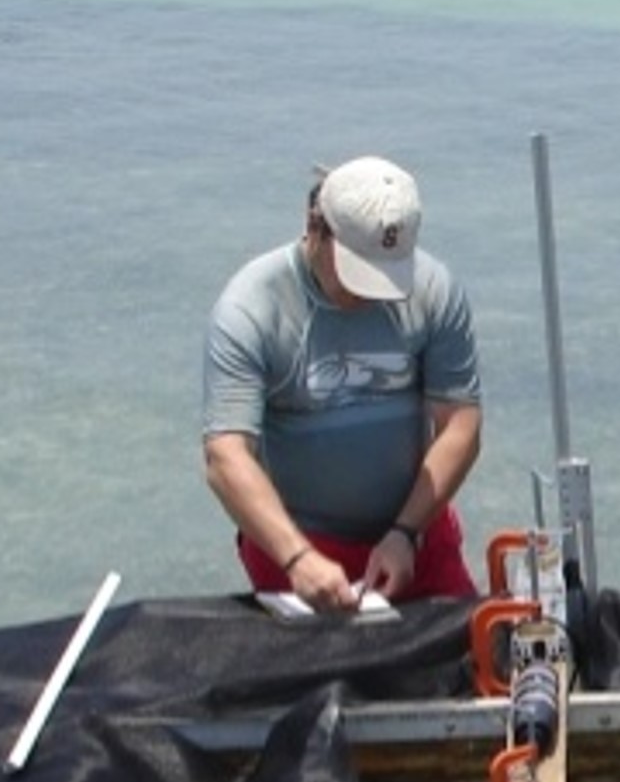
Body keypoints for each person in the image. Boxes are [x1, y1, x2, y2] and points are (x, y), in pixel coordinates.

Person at [203, 156, 484, 611]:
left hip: (416, 531)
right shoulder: (252, 308)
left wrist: (405, 533)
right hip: (297, 543)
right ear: (316, 228)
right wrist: (298, 558)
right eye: (357, 271)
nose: (368, 292)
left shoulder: (434, 290)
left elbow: (461, 425)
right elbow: (225, 456)